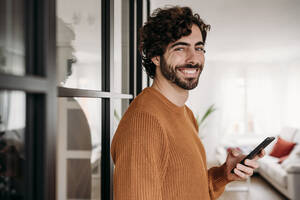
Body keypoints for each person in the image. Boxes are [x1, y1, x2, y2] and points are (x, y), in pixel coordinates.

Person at [111, 6, 264, 200]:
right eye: (180, 48)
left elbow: (190, 188)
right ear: (156, 57)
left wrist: (224, 173)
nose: (193, 59)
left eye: (198, 48)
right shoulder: (144, 122)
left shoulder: (186, 114)